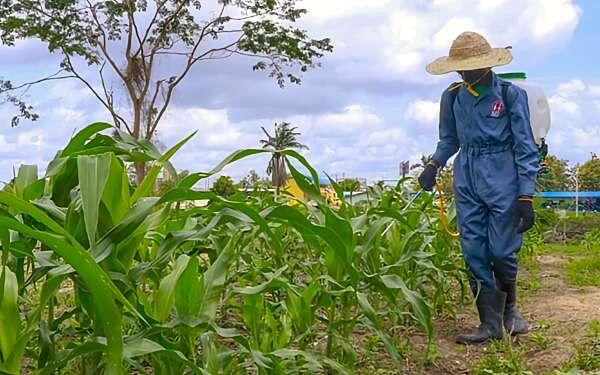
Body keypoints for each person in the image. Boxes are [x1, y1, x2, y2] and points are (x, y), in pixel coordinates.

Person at [418, 32, 539, 344]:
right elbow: (449, 139)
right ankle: (489, 323)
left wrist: (525, 194)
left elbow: (525, 146)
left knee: (501, 251)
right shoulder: (453, 97)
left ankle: (510, 308)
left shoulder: (510, 95)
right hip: (468, 176)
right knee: (473, 251)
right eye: (460, 68)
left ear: (486, 65)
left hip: (503, 176)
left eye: (470, 67)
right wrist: (433, 165)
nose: (464, 73)